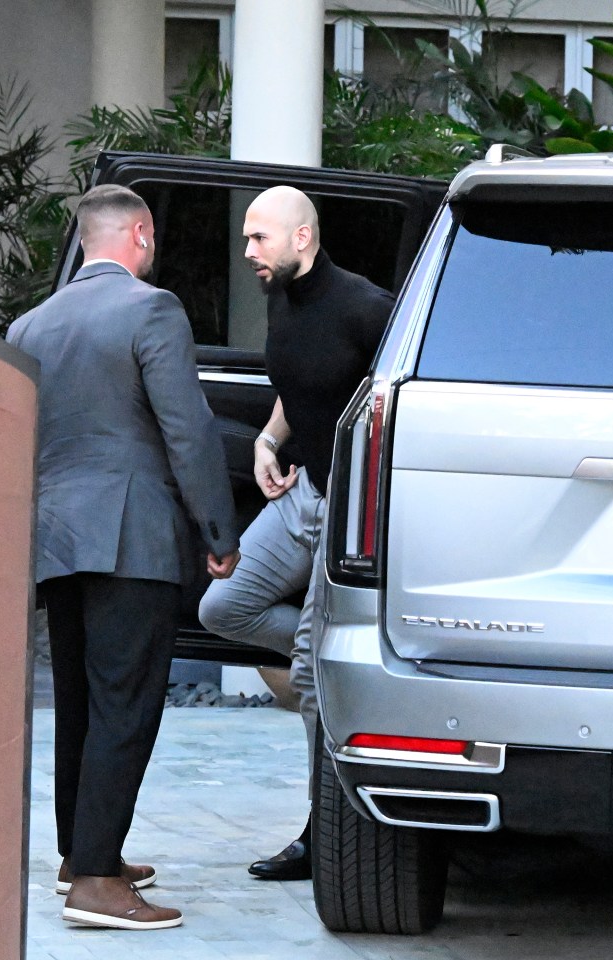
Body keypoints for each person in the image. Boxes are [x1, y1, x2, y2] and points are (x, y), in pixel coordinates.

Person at [7, 184, 240, 929]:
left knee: (77, 700)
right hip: (131, 539)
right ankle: (100, 882)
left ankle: (81, 850)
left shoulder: (31, 324)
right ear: (138, 235)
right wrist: (218, 532)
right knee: (125, 706)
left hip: (51, 540)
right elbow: (189, 431)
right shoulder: (151, 308)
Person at [198, 185, 395, 881]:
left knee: (311, 675)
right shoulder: (281, 297)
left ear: (302, 238)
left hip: (349, 508)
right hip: (302, 489)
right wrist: (268, 439)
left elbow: (396, 407)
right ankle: (342, 659)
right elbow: (297, 383)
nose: (248, 250)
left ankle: (323, 834)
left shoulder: (367, 309)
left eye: (259, 238)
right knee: (221, 607)